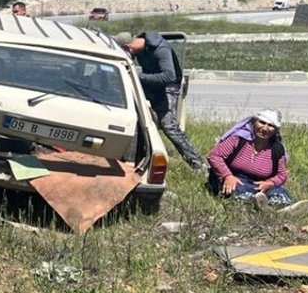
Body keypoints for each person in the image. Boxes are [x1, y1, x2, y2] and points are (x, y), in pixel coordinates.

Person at [114, 31, 206, 169]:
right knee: (137, 119)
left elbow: (169, 76)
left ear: (127, 47)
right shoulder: (140, 50)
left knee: (169, 126)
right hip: (151, 85)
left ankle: (198, 165)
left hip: (168, 87)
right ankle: (135, 161)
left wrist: (140, 77)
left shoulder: (160, 49)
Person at [206, 109, 294, 207]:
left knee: (280, 194)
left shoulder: (277, 149)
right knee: (239, 191)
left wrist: (270, 183)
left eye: (270, 125)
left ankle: (281, 209)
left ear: (275, 130)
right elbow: (214, 156)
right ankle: (257, 205)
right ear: (254, 122)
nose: (265, 128)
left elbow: (281, 175)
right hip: (236, 179)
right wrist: (227, 176)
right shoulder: (238, 139)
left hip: (261, 185)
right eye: (262, 123)